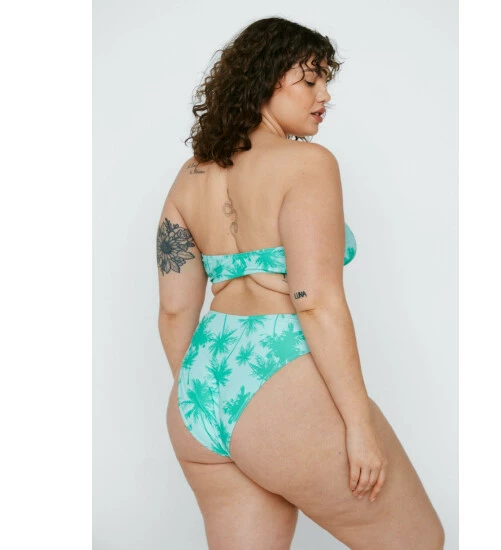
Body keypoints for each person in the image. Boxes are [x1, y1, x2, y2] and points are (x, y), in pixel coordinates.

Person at [158, 16, 445, 550]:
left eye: (325, 81)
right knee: (418, 542)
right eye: (310, 80)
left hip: (199, 390)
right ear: (265, 81)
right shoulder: (307, 164)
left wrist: (199, 395)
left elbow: (175, 311)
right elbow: (315, 303)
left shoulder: (189, 176)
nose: (324, 95)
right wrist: (358, 426)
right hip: (278, 373)